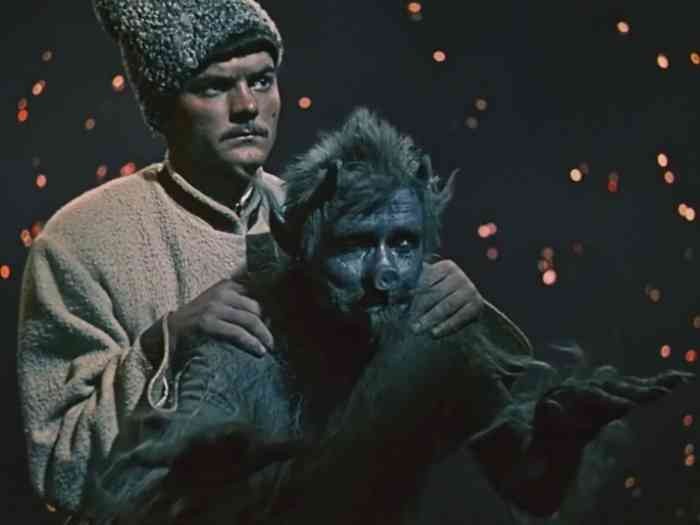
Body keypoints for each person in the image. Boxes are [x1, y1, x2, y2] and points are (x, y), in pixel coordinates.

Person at [89, 108, 692, 525]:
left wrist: (562, 437)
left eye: (403, 244)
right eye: (355, 244)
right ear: (302, 249)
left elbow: (531, 491)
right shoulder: (244, 337)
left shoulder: (432, 315)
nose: (384, 274)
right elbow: (120, 506)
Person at [16, 0, 484, 517]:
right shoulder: (79, 240)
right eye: (214, 87)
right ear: (165, 107)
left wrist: (441, 300)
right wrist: (165, 343)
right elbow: (59, 470)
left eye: (262, 81)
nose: (246, 107)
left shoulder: (322, 216)